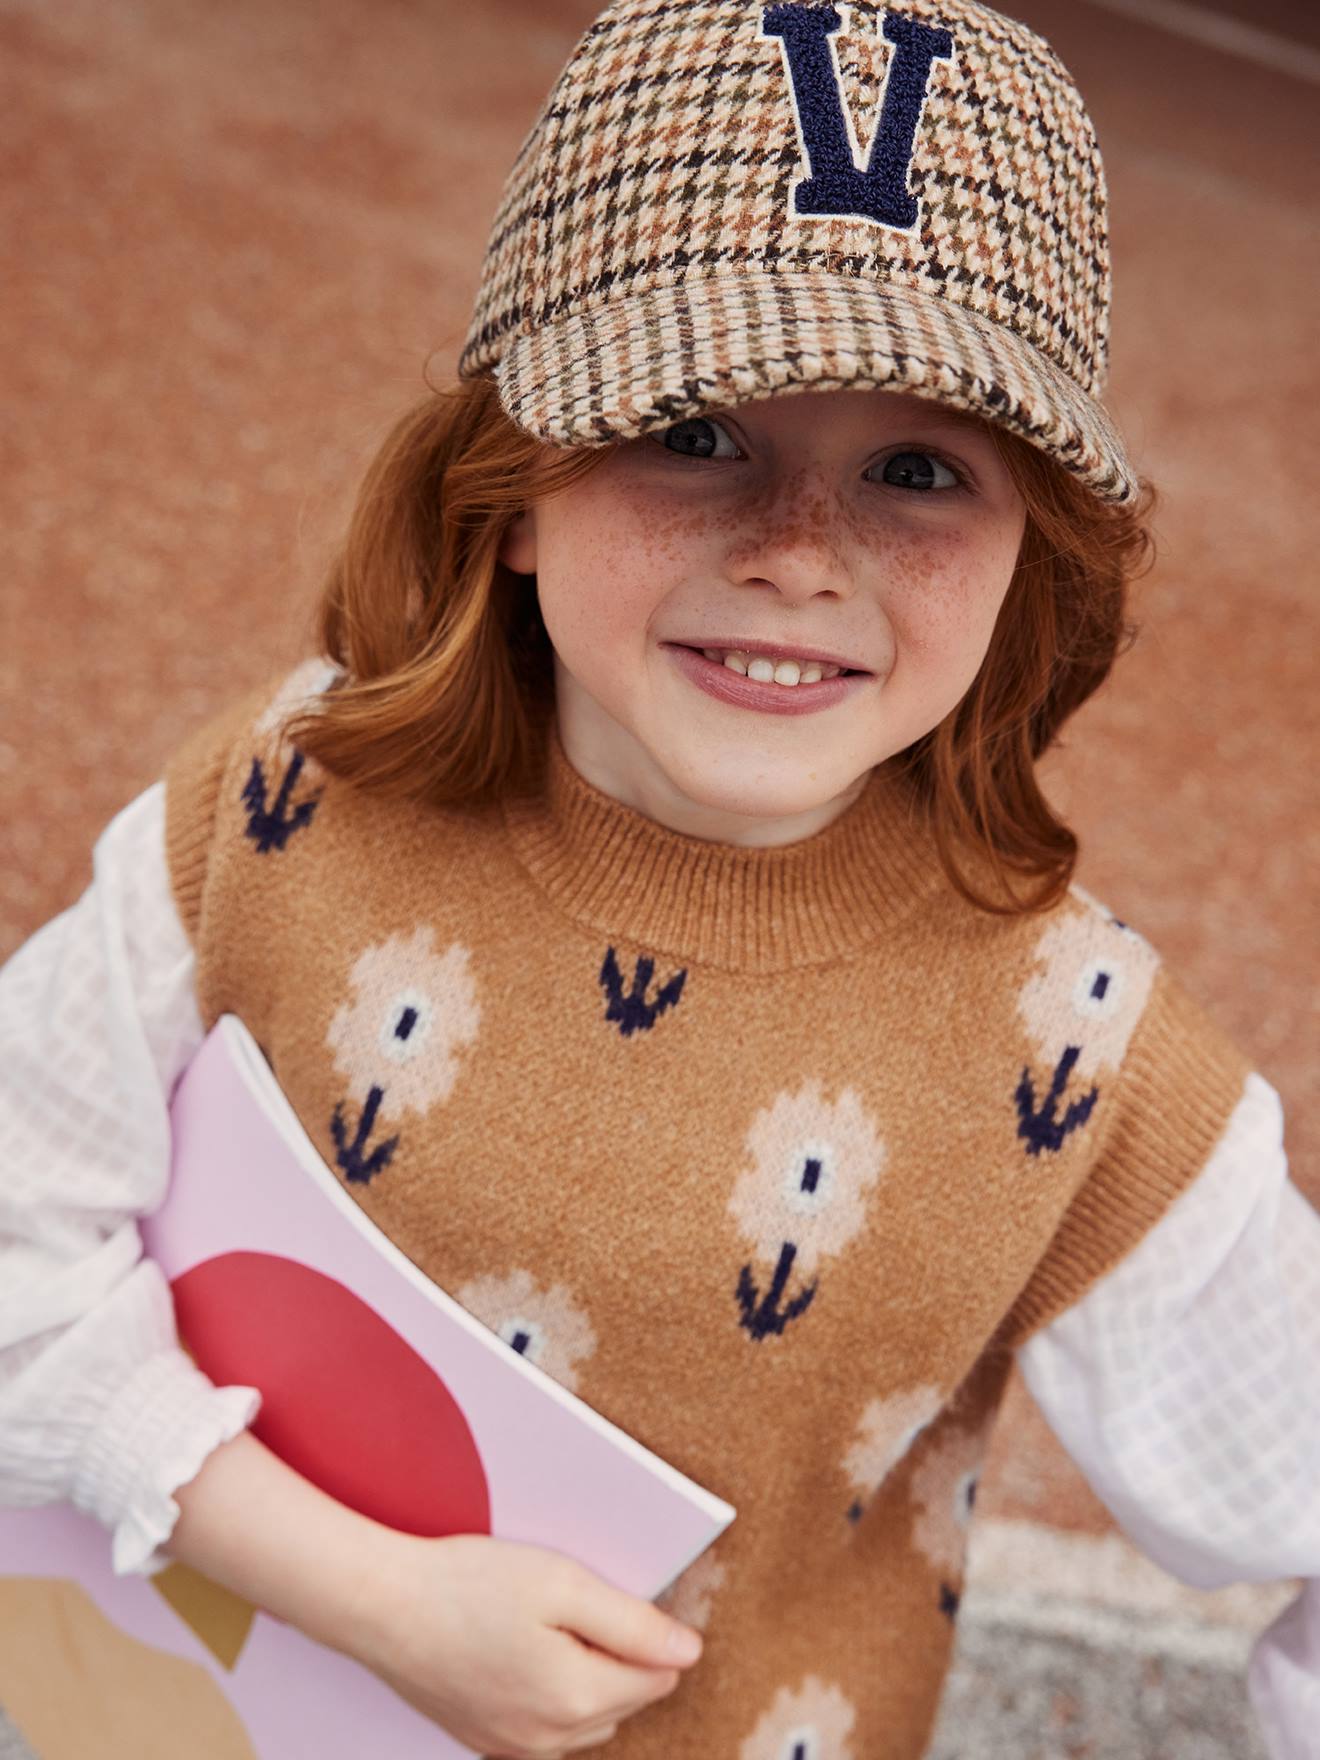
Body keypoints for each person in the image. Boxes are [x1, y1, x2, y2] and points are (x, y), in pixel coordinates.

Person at [1, 0, 1317, 1755]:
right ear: (511, 488)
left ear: (1033, 564)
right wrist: (364, 1595)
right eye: (695, 429)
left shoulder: (1078, 1068)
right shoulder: (283, 801)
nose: (794, 555)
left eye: (919, 468)